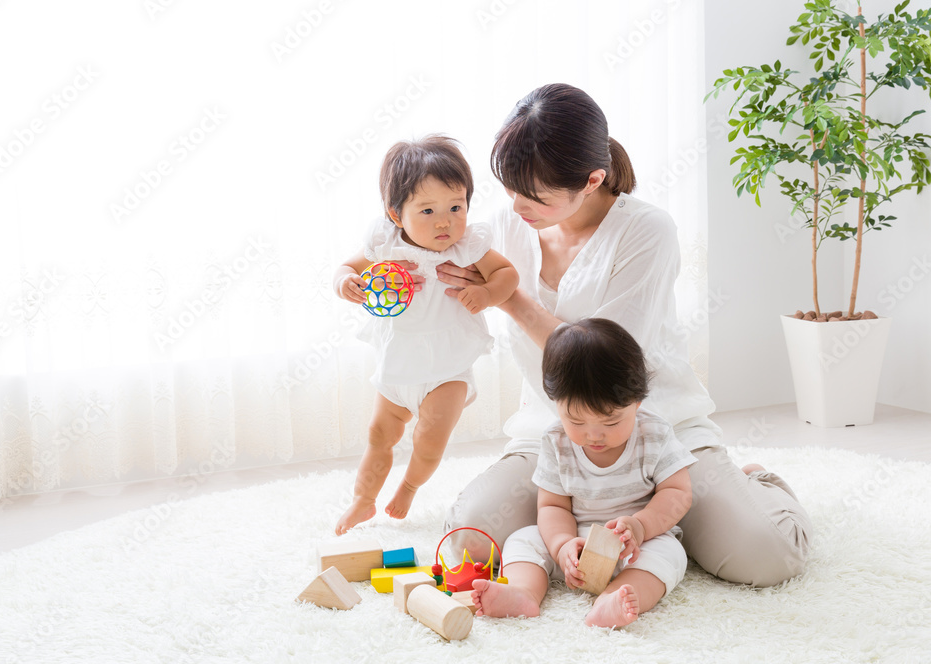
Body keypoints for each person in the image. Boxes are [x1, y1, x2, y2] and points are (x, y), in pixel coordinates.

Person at [440, 83, 812, 587]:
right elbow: (420, 244)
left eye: (535, 196)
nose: (516, 205)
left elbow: (601, 360)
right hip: (555, 433)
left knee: (767, 558)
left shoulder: (647, 231)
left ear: (593, 180)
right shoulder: (506, 225)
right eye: (508, 189)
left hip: (658, 431)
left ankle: (755, 484)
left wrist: (508, 297)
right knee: (466, 548)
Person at [333, 134, 518, 535]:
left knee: (430, 438)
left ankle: (409, 486)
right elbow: (346, 268)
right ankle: (362, 502)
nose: (444, 221)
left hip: (447, 369)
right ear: (396, 215)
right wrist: (346, 282)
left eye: (456, 207)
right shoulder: (384, 243)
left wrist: (486, 293)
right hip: (399, 366)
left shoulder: (467, 246)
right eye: (428, 210)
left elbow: (508, 275)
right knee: (379, 435)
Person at [472, 318, 695, 628]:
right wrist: (562, 545)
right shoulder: (556, 441)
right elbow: (552, 506)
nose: (594, 436)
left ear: (637, 402)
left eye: (611, 422)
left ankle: (612, 599)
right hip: (577, 540)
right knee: (522, 540)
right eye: (576, 422)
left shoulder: (653, 434)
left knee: (669, 554)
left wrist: (641, 527)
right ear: (556, 405)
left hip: (637, 544)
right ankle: (523, 592)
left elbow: (678, 492)